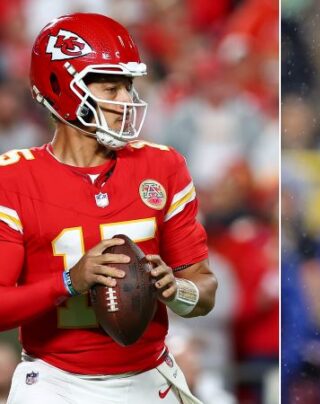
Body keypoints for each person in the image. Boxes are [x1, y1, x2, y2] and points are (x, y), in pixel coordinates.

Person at [0, 13, 218, 404]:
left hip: (151, 376)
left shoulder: (163, 166)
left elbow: (204, 293)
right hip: (55, 383)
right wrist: (69, 282)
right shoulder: (14, 179)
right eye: (110, 87)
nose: (126, 102)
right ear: (61, 88)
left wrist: (175, 289)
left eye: (128, 86)